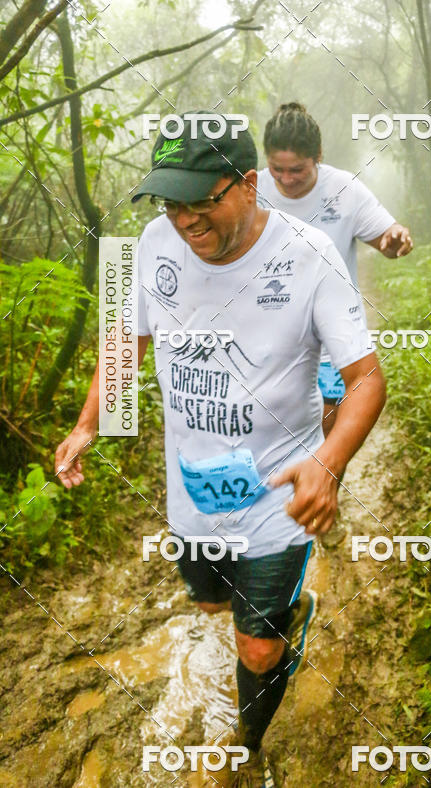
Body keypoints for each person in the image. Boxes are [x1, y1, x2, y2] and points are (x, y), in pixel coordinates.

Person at [54, 113, 386, 787]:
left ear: (249, 185)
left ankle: (250, 747)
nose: (186, 221)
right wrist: (88, 422)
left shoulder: (310, 255)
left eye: (203, 201)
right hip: (193, 489)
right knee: (208, 606)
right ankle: (274, 615)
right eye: (173, 203)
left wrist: (327, 463)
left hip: (276, 496)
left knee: (258, 649)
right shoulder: (154, 244)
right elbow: (129, 338)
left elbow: (365, 380)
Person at [258, 102, 412, 442]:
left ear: (318, 157)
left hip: (333, 332)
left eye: (296, 169)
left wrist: (395, 240)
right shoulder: (252, 189)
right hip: (270, 331)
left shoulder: (344, 190)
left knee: (327, 428)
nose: (286, 179)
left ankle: (324, 486)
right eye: (276, 169)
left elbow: (387, 239)